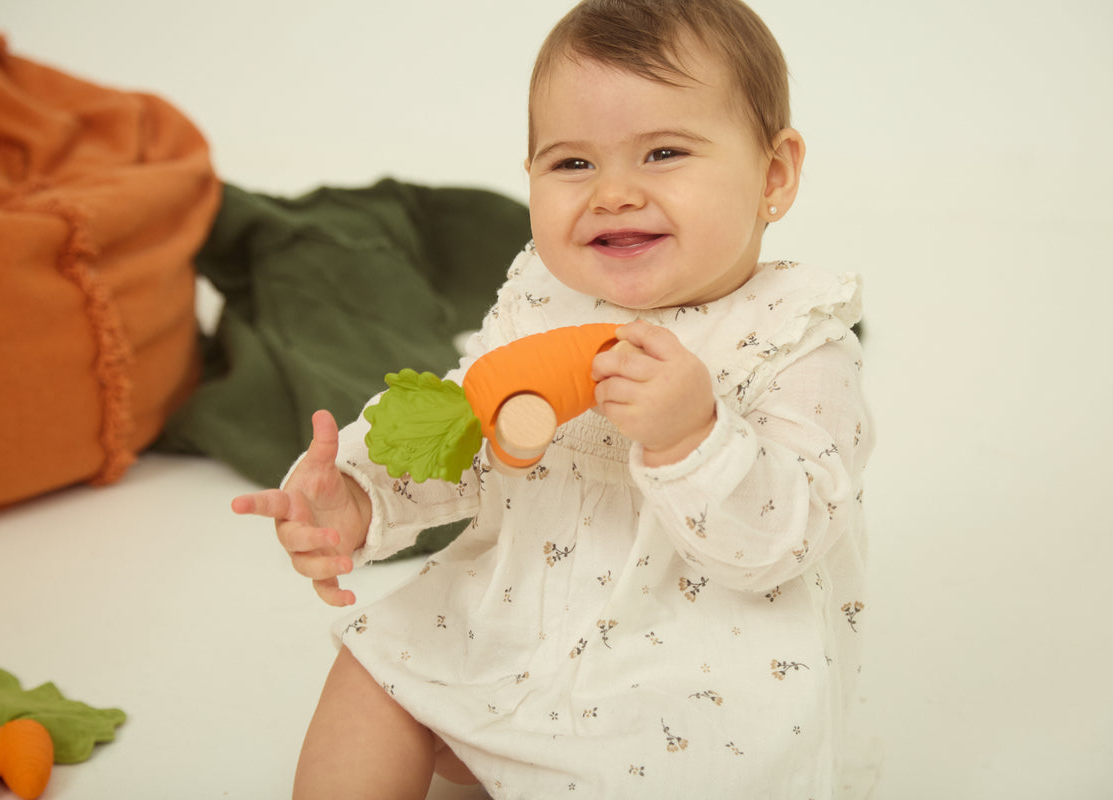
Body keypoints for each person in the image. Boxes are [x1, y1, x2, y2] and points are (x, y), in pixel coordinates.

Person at [233, 0, 874, 797]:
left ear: (773, 176)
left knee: (685, 766)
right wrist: (358, 498)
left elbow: (789, 535)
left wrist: (694, 437)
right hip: (516, 624)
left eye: (663, 152)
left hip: (688, 672)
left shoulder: (796, 340)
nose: (612, 193)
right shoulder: (541, 302)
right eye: (572, 164)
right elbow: (470, 437)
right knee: (375, 671)